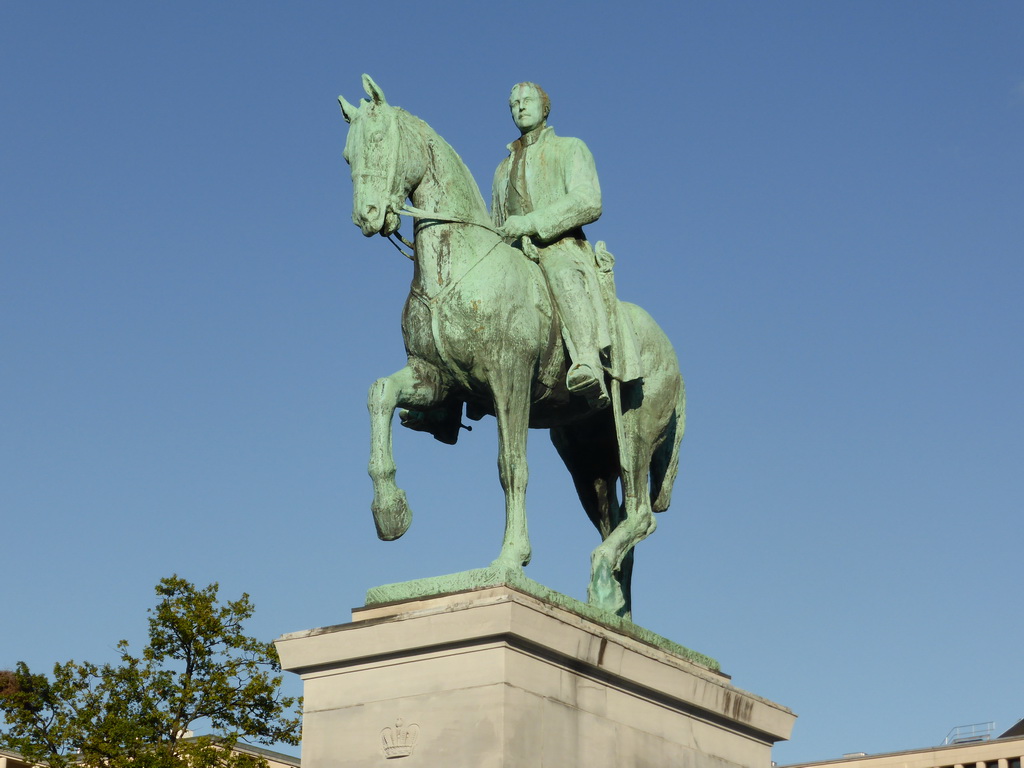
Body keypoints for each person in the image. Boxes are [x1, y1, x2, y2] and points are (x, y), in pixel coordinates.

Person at [492, 82, 612, 410]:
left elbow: (589, 201)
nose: (520, 106)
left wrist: (532, 224)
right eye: (513, 103)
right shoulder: (502, 170)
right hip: (516, 255)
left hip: (561, 248)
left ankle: (588, 362)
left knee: (561, 274)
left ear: (545, 107)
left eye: (527, 100)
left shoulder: (570, 148)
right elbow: (498, 222)